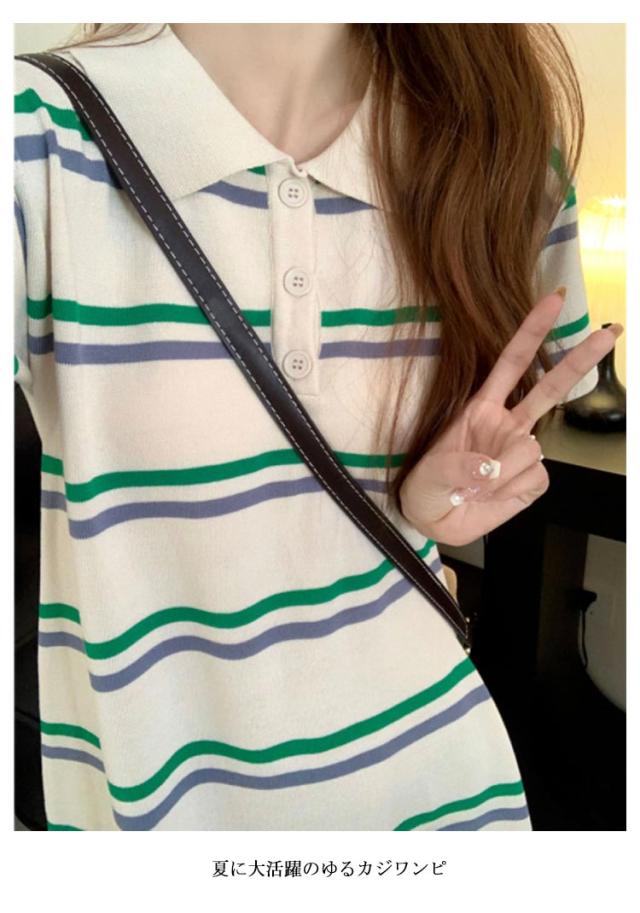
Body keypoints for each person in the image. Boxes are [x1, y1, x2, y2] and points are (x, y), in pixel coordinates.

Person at [14, 22, 622, 831]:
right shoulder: (36, 137)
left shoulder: (499, 146)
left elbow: (508, 416)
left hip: (445, 792)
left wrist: (423, 501)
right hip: (163, 811)